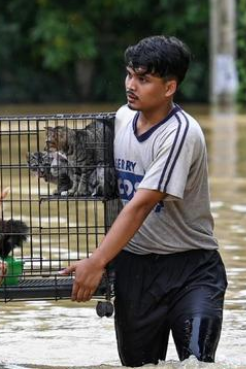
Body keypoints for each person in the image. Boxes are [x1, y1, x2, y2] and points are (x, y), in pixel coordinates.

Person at [60, 36, 227, 367]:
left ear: (169, 88)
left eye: (143, 79)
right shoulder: (122, 119)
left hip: (191, 269)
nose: (131, 85)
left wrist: (95, 262)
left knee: (197, 363)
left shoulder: (180, 133)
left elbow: (139, 205)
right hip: (135, 269)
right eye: (129, 75)